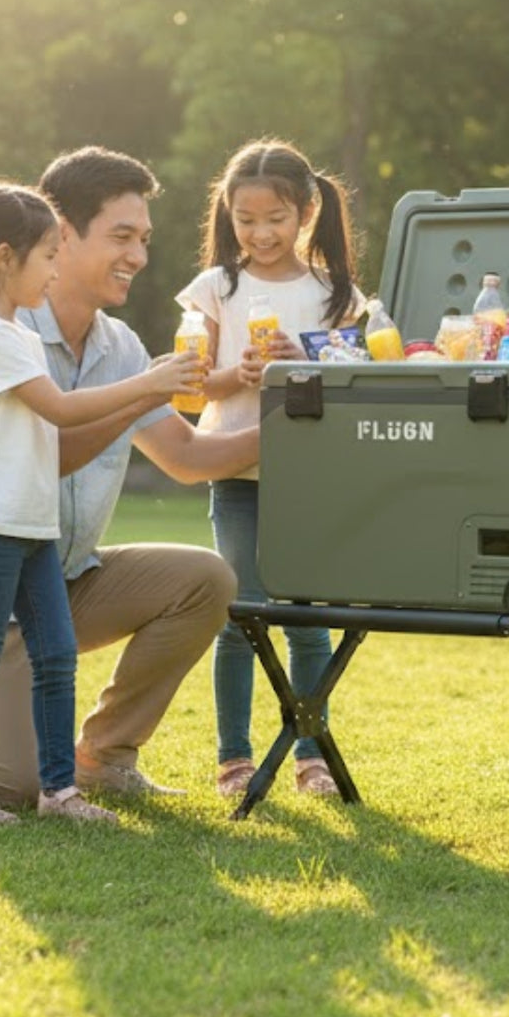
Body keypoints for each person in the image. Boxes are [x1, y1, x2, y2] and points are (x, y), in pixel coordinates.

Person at [0, 148, 260, 815]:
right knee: (6, 785)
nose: (138, 257)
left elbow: (186, 457)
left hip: (54, 578)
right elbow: (45, 451)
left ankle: (103, 759)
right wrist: (140, 392)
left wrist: (291, 426)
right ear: (59, 232)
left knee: (203, 580)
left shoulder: (118, 345)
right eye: (122, 236)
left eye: (144, 239)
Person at [0, 181, 203, 824]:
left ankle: (59, 791)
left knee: (56, 654)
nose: (55, 268)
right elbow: (61, 410)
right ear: (3, 258)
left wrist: (150, 386)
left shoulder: (12, 333)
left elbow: (55, 435)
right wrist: (149, 384)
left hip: (28, 524)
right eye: (48, 255)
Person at [176, 139, 364, 798]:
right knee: (239, 613)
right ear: (227, 214)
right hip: (236, 474)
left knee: (308, 621)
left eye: (275, 219)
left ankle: (312, 754)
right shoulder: (216, 288)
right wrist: (240, 372)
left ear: (306, 211)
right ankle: (235, 757)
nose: (260, 233)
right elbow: (190, 386)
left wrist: (304, 364)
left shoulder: (333, 293)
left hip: (310, 478)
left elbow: (358, 379)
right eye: (245, 219)